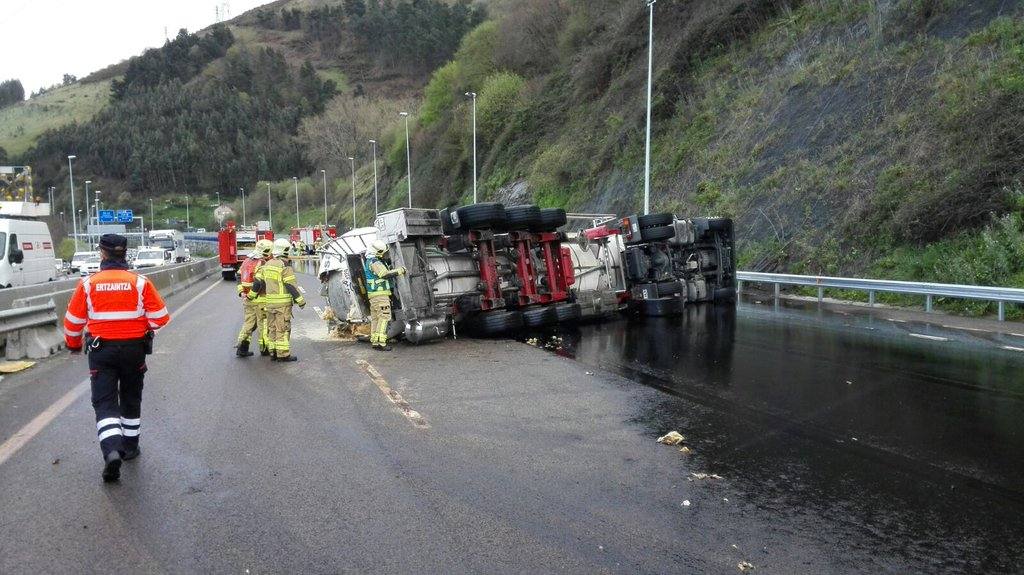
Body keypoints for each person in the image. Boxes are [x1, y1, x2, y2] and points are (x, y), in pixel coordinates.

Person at [63, 234, 170, 483]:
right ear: (125, 253)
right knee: (131, 397)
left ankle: (112, 450)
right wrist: (139, 327)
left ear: (102, 253)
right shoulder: (140, 282)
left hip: (102, 351)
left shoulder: (88, 284)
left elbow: (73, 323)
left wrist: (73, 346)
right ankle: (130, 448)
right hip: (134, 349)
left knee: (104, 402)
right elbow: (161, 317)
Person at [251, 238, 305, 362]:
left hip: (269, 304)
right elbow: (290, 285)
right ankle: (283, 354)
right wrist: (300, 300)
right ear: (285, 251)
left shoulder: (267, 264)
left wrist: (252, 296)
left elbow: (259, 282)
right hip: (282, 305)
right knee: (282, 328)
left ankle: (273, 352)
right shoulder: (284, 266)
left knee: (272, 328)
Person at [363, 240, 406, 352]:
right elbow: (384, 274)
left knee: (376, 319)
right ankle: (381, 342)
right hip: (380, 295)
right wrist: (400, 271)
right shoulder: (375, 263)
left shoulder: (369, 261)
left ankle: (375, 341)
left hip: (374, 296)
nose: (384, 254)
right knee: (384, 317)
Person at [235, 239, 274, 357]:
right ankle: (264, 349)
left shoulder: (247, 260)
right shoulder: (262, 263)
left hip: (247, 299)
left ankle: (242, 348)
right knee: (264, 325)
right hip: (260, 298)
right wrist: (252, 295)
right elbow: (259, 282)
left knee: (249, 323)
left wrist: (242, 292)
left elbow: (238, 276)